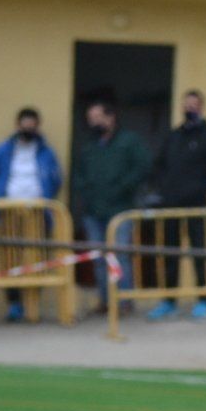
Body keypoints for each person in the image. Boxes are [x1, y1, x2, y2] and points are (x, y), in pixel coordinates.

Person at [148, 90, 206, 321]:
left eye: (193, 105)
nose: (189, 109)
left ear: (202, 107)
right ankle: (168, 300)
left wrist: (200, 188)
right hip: (171, 205)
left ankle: (203, 300)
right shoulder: (173, 137)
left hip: (196, 205)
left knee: (199, 253)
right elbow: (158, 166)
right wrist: (163, 190)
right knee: (170, 254)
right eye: (186, 105)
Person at [0, 107, 62, 322]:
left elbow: (56, 179)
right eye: (24, 124)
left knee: (40, 257)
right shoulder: (3, 150)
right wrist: (1, 195)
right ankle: (14, 304)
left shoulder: (46, 151)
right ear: (17, 125)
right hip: (10, 211)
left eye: (32, 125)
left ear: (37, 126)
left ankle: (33, 305)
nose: (28, 128)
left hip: (38, 212)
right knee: (11, 257)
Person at [70, 97, 149, 315]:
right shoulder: (88, 147)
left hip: (120, 210)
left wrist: (123, 187)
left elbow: (143, 167)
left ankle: (123, 301)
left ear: (111, 117)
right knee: (98, 259)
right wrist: (85, 193)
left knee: (120, 256)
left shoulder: (129, 141)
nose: (94, 123)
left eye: (98, 117)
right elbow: (78, 175)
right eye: (90, 119)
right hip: (93, 212)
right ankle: (105, 302)